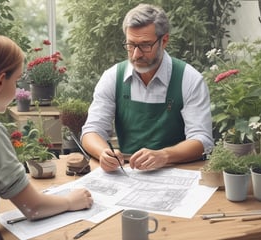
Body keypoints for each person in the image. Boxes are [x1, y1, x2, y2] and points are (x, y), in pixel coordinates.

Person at [0, 31, 93, 240]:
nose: (18, 90)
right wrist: (71, 201)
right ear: (0, 82)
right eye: (16, 80)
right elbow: (33, 208)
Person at [81, 4, 214, 172]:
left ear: (164, 40)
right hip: (127, 173)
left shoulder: (189, 79)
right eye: (130, 45)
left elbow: (203, 141)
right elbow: (91, 131)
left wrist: (164, 155)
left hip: (178, 173)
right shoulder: (113, 77)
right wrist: (103, 153)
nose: (136, 54)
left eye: (145, 45)